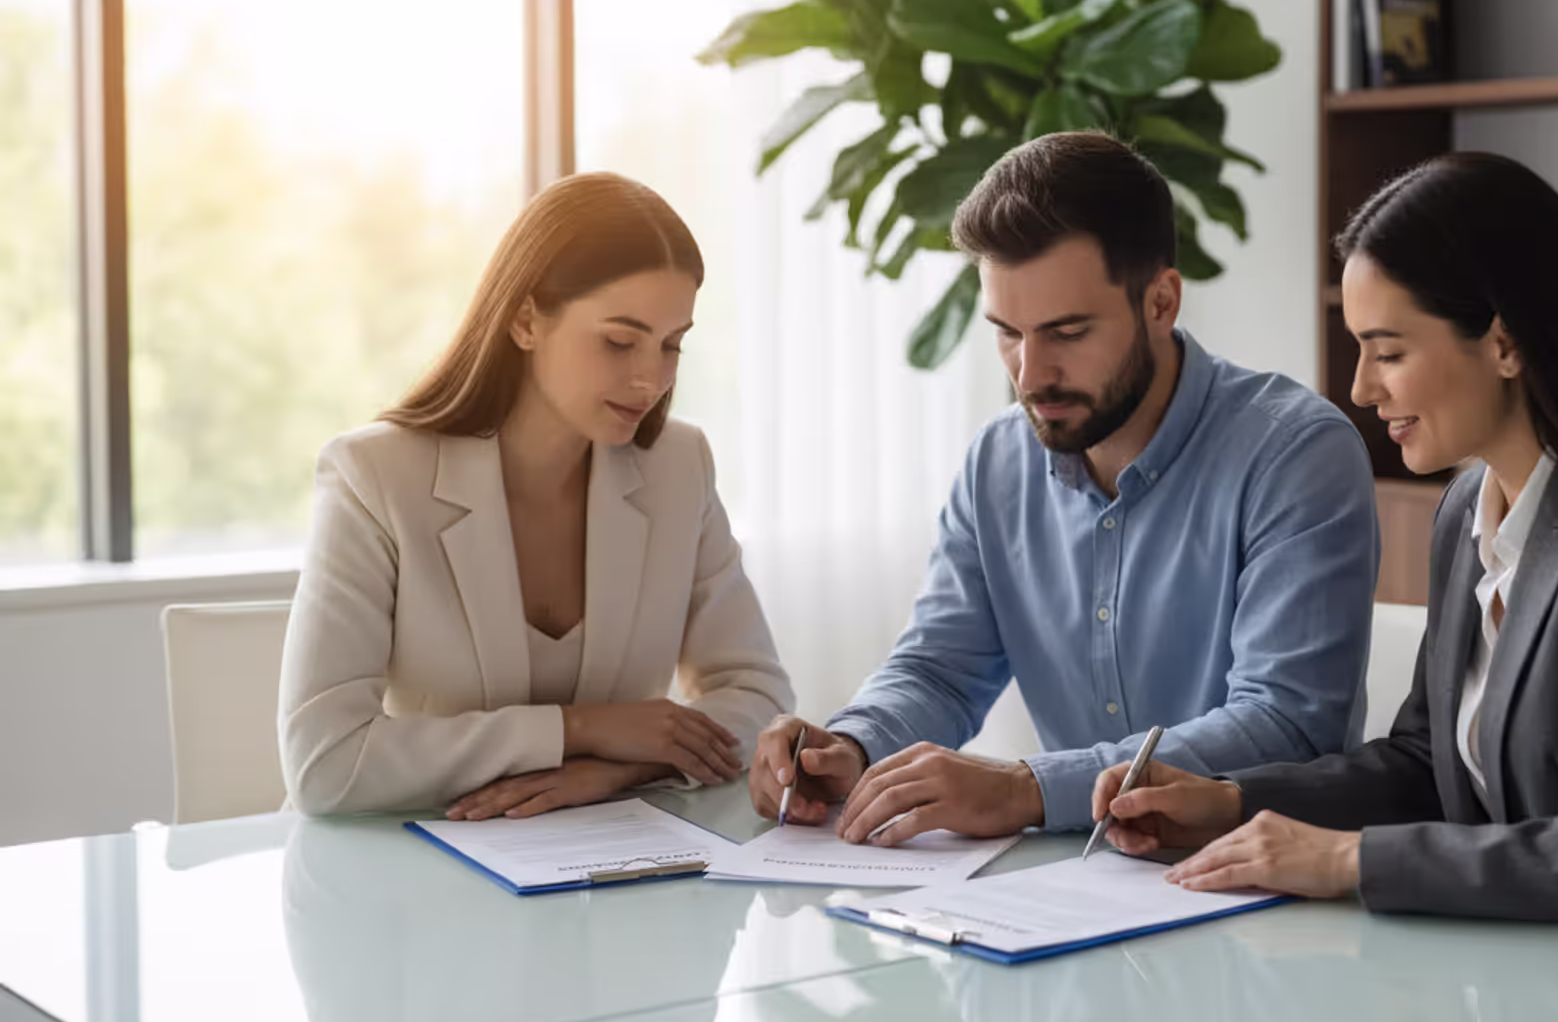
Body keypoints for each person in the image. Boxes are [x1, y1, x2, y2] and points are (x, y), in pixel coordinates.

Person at [1092, 152, 1558, 930]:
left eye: (1389, 350)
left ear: (1505, 343)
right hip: (1540, 973)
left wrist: (1347, 861)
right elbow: (1425, 766)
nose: (1362, 388)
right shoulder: (1469, 507)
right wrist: (1232, 804)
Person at [747, 130, 1380, 842]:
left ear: (1162, 303)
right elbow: (940, 671)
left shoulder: (1295, 453)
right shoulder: (998, 462)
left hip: (1261, 892)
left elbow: (1288, 726)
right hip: (1066, 900)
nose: (1029, 373)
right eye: (1007, 333)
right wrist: (853, 746)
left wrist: (1028, 790)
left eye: (1067, 332)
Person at [279, 173, 794, 818]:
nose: (650, 379)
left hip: (611, 869)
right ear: (526, 319)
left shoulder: (678, 466)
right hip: (410, 880)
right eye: (619, 341)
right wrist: (576, 730)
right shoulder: (374, 475)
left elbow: (759, 695)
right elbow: (324, 765)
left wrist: (619, 769)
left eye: (672, 345)